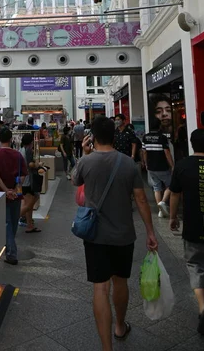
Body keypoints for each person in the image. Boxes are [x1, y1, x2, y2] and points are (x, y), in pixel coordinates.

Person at [72, 117, 157, 351]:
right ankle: (120, 326)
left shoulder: (86, 162)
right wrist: (150, 231)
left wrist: (84, 152)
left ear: (94, 137)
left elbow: (73, 180)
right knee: (121, 281)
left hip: (95, 235)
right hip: (123, 234)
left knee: (100, 287)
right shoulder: (128, 163)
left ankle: (106, 347)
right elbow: (141, 199)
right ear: (114, 135)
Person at [169, 129, 204, 335]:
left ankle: (203, 307)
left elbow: (174, 194)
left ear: (191, 144)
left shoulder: (182, 165)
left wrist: (173, 218)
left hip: (193, 227)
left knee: (196, 266)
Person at [0, 128, 27, 265]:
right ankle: (11, 251)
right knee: (13, 222)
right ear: (11, 139)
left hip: (1, 195)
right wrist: (15, 189)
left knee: (7, 223)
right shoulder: (17, 155)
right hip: (16, 195)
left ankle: (11, 252)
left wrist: (5, 190)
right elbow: (23, 174)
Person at [142, 118, 174, 218]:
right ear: (159, 125)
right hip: (162, 166)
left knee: (156, 188)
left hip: (151, 166)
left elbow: (144, 152)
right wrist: (172, 166)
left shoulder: (145, 137)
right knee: (170, 185)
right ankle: (163, 202)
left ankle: (160, 210)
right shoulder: (162, 137)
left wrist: (146, 163)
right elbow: (167, 153)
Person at [19, 133, 42, 233]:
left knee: (30, 203)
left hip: (24, 180)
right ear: (30, 142)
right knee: (29, 204)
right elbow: (30, 164)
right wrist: (38, 164)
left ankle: (30, 225)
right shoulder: (28, 150)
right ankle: (11, 219)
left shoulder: (21, 150)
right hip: (28, 181)